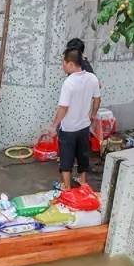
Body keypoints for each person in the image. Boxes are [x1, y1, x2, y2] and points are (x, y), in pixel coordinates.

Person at [50, 48, 101, 189]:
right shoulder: (92, 78)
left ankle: (67, 189)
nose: (63, 66)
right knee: (83, 156)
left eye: (64, 63)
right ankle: (83, 183)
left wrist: (54, 126)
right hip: (84, 127)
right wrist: (93, 114)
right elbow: (97, 99)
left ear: (71, 64)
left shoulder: (69, 83)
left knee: (66, 161)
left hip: (69, 129)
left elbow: (63, 108)